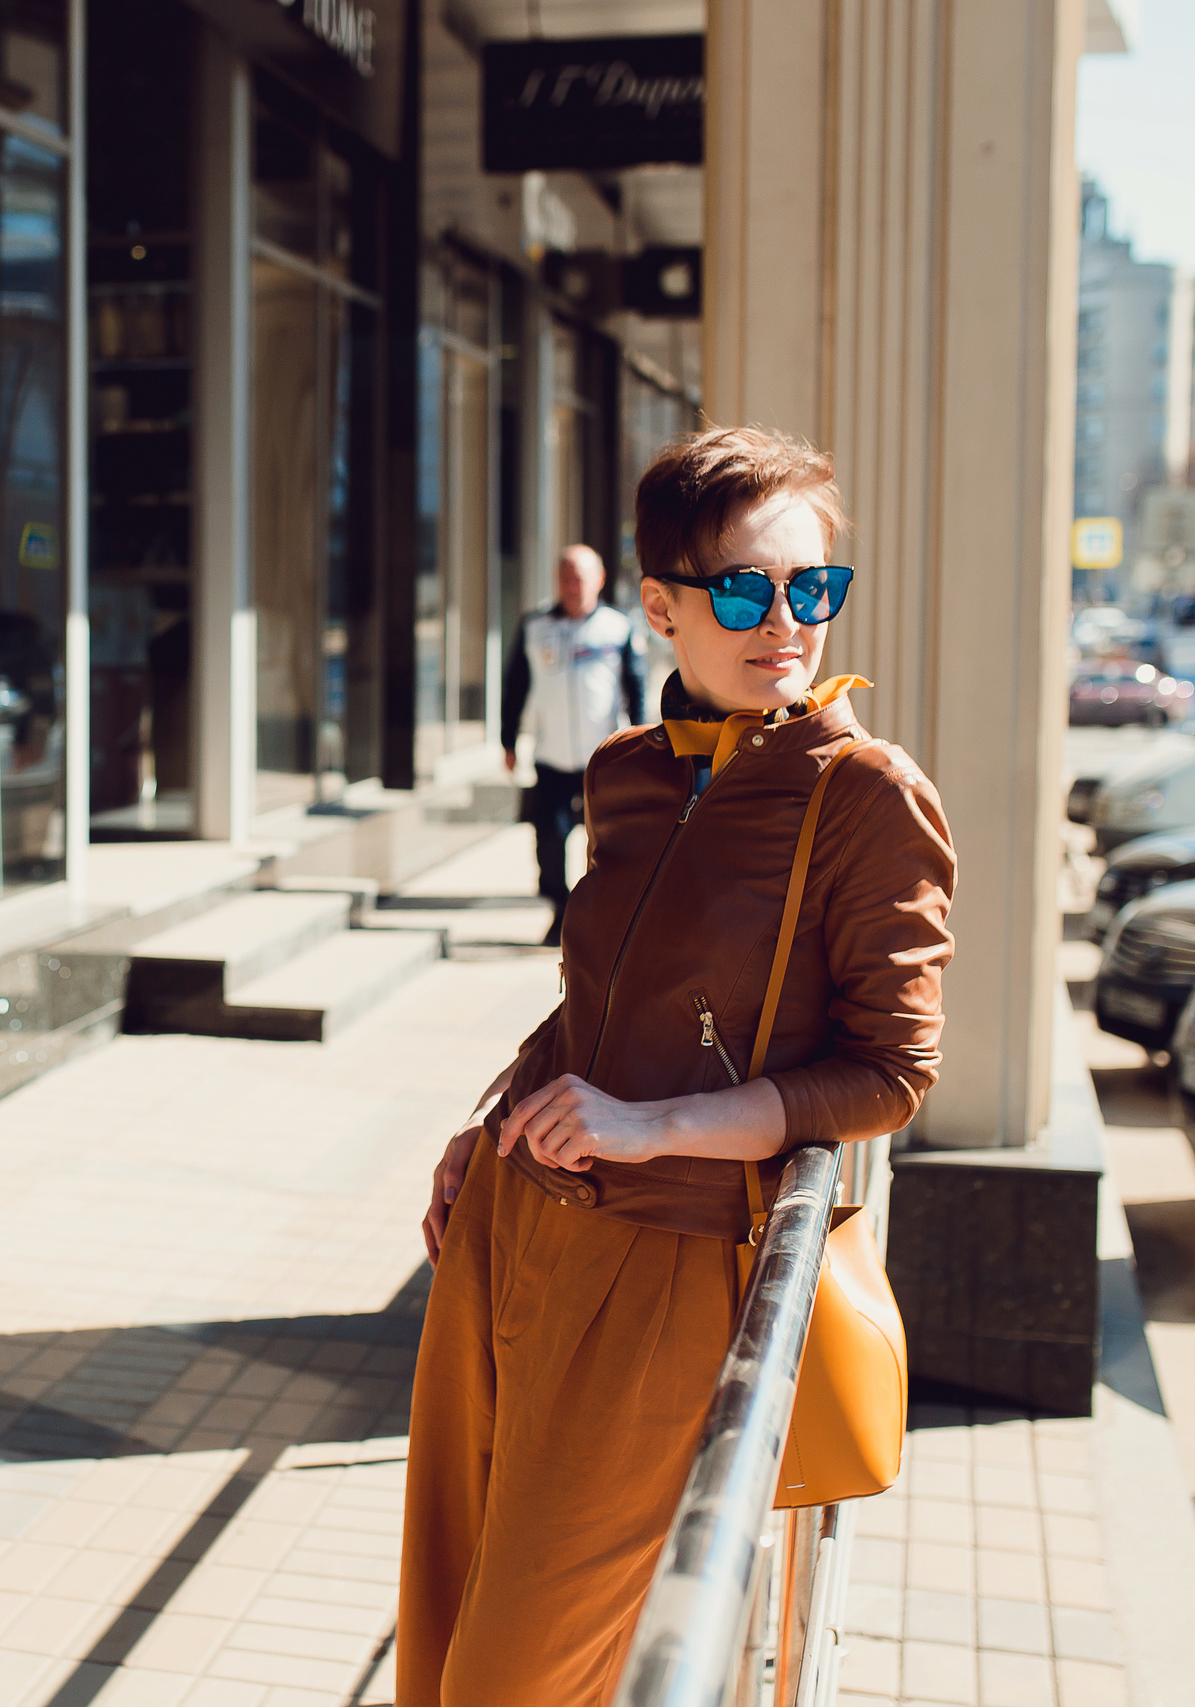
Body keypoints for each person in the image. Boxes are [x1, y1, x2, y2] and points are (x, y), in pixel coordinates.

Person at [402, 426, 956, 1706]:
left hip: (674, 1265)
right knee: (451, 1591)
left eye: (813, 587)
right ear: (661, 605)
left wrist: (655, 1129)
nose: (788, 623)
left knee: (519, 1671)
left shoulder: (866, 797)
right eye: (747, 589)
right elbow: (589, 1004)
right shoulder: (626, 777)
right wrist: (488, 1118)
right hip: (510, 1226)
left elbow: (887, 1075)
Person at [501, 544, 641, 945]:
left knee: (606, 841)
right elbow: (515, 688)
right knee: (549, 840)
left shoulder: (617, 628)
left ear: (598, 580)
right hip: (551, 757)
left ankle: (599, 915)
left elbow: (637, 689)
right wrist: (508, 741)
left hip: (604, 758)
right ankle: (560, 907)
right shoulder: (535, 628)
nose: (572, 586)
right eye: (565, 578)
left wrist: (643, 741)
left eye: (580, 578)